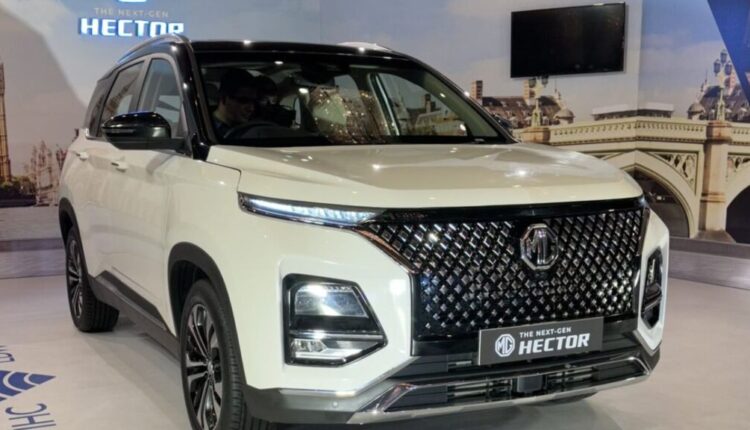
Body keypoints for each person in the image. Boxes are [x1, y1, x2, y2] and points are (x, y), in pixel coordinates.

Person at [212, 69, 258, 137]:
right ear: (224, 98)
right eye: (243, 101)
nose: (251, 108)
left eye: (253, 101)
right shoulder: (207, 129)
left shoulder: (254, 127)